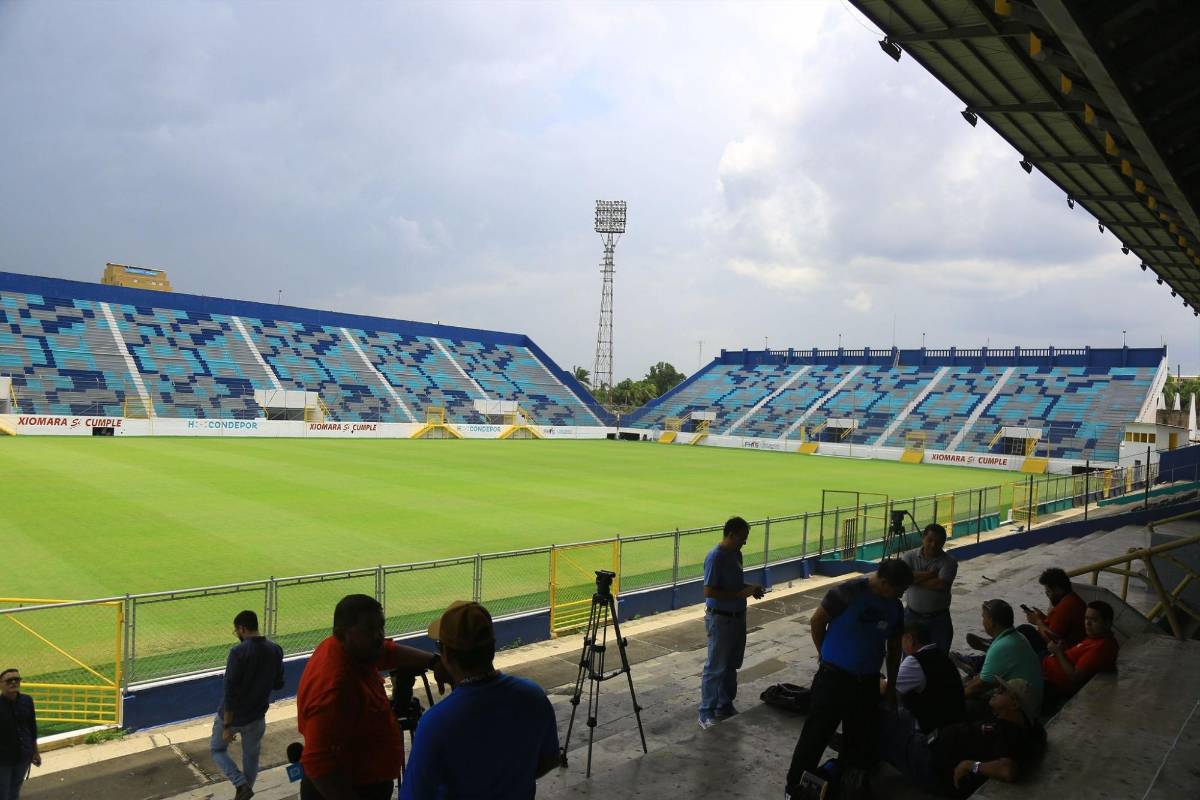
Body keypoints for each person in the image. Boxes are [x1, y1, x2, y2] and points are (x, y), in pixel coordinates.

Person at [399, 601, 559, 799]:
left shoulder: (435, 723)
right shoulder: (533, 695)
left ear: (446, 654)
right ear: (492, 647)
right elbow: (550, 760)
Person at [297, 594, 450, 800]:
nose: (378, 636)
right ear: (342, 635)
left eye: (381, 627)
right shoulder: (334, 690)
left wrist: (434, 662)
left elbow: (388, 652)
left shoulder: (349, 649)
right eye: (369, 630)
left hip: (367, 783)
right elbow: (318, 766)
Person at [783, 559, 913, 794]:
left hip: (867, 683)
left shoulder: (894, 607)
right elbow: (817, 621)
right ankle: (795, 788)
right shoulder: (847, 592)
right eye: (898, 590)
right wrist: (825, 654)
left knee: (858, 741)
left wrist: (891, 685)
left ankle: (843, 786)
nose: (900, 595)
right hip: (833, 680)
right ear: (884, 582)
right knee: (815, 737)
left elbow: (894, 648)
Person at [878, 677, 1046, 798]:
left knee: (883, 722)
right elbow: (1037, 732)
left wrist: (971, 765)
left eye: (1003, 691)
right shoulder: (1016, 726)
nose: (997, 691)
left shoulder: (1011, 733)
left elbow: (1007, 770)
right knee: (900, 715)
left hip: (930, 762)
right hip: (930, 745)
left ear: (1015, 704)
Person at [698, 516, 764, 729]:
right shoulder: (715, 557)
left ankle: (724, 705)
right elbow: (709, 591)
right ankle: (706, 712)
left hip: (737, 617)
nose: (744, 542)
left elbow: (734, 586)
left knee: (732, 664)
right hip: (720, 619)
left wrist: (749, 589)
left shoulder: (736, 554)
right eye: (742, 538)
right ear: (731, 534)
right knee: (716, 666)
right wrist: (740, 594)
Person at [211, 610, 285, 800]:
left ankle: (240, 784)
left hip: (232, 716)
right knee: (251, 757)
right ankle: (245, 792)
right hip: (257, 717)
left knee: (217, 749)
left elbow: (230, 690)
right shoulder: (275, 649)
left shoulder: (238, 652)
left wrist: (227, 726)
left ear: (242, 628)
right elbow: (278, 683)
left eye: (236, 631)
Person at [967, 567, 1085, 657]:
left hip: (1058, 652)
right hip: (1062, 647)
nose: (1047, 595)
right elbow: (1056, 627)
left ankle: (993, 646)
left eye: (1048, 591)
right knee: (1024, 631)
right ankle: (994, 643)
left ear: (1058, 589)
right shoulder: (1072, 599)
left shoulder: (1066, 606)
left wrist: (1038, 621)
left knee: (1022, 633)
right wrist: (1043, 618)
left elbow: (1051, 639)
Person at [959, 600, 1043, 716]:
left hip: (1023, 708)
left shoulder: (1002, 646)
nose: (982, 622)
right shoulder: (1018, 636)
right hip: (1029, 697)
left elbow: (979, 686)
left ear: (992, 622)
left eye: (984, 618)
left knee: (965, 705)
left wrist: (954, 698)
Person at [893, 618, 965, 733]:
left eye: (901, 639)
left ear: (910, 639)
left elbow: (888, 687)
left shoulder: (915, 662)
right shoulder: (940, 655)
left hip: (931, 731)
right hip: (951, 724)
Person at [1042, 600, 1119, 703]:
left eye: (1094, 620)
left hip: (1053, 682)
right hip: (1049, 665)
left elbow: (1075, 676)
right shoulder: (1095, 637)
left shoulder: (1100, 647)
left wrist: (1058, 653)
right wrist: (1063, 649)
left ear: (1107, 624)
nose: (1088, 623)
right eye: (1086, 618)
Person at [900, 523, 958, 653]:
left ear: (944, 543)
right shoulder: (909, 556)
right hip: (911, 616)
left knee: (939, 657)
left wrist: (912, 579)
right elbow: (903, 578)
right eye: (930, 540)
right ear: (923, 538)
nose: (933, 545)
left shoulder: (949, 562)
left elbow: (941, 585)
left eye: (938, 542)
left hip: (938, 619)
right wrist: (931, 574)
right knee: (909, 655)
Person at [0, 668, 39, 800]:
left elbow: (32, 728)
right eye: (9, 680)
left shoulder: (27, 700)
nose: (13, 682)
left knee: (15, 789)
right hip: (3, 760)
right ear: (1, 684)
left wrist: (35, 751)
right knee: (3, 793)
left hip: (23, 756)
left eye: (17, 679)